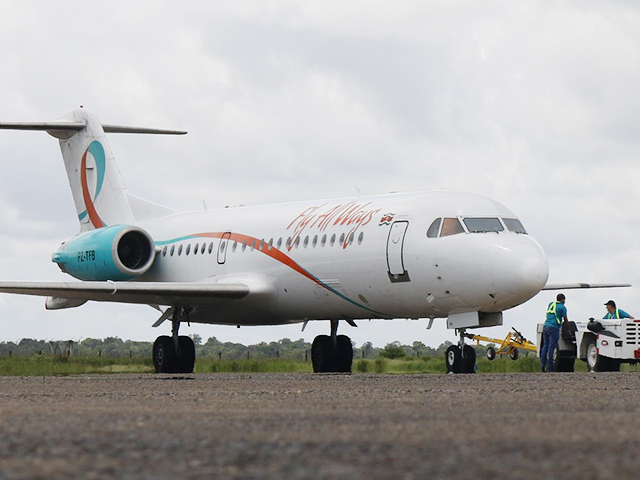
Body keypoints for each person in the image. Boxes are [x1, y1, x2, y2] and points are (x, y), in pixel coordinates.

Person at [540, 293, 569, 372]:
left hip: (546, 326)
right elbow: (565, 319)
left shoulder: (551, 304)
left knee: (545, 346)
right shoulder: (562, 307)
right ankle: (550, 368)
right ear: (563, 299)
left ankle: (542, 365)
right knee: (551, 347)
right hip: (554, 328)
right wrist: (568, 329)